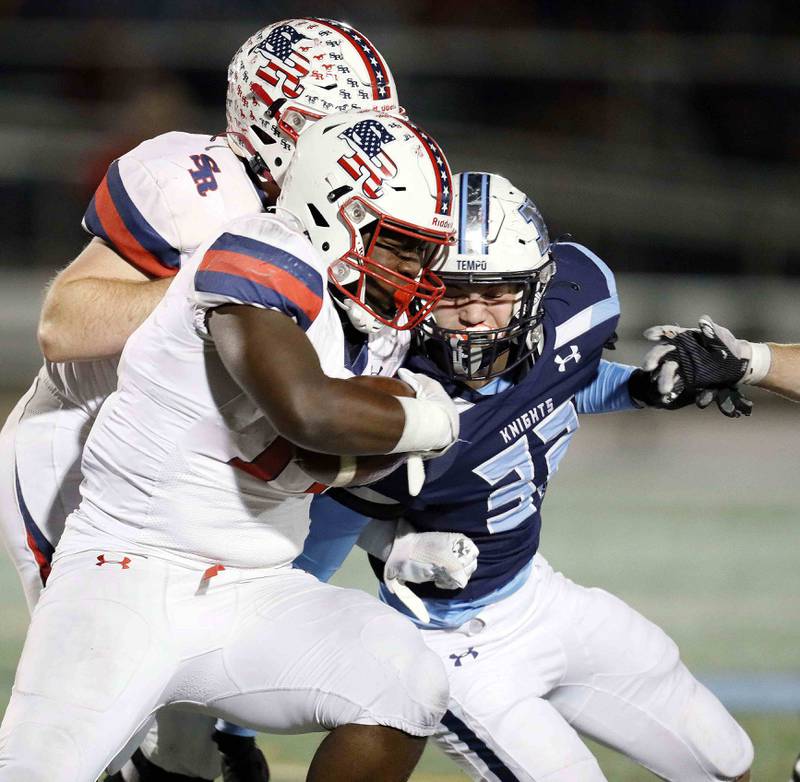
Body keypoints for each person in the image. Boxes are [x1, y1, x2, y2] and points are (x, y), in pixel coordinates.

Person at [0, 110, 462, 782]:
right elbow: (311, 417)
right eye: (400, 246)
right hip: (127, 579)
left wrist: (388, 433)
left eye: (425, 252)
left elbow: (326, 458)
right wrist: (431, 420)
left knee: (404, 677)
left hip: (253, 591)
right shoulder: (258, 249)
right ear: (340, 214)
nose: (416, 272)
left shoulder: (365, 323)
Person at [296, 172, 755, 781]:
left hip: (540, 593)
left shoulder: (573, 308)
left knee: (724, 762)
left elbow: (557, 385)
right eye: (454, 293)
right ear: (418, 291)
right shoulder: (397, 401)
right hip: (454, 645)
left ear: (537, 290)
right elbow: (310, 562)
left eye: (497, 293)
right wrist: (386, 545)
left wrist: (643, 389)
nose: (477, 317)